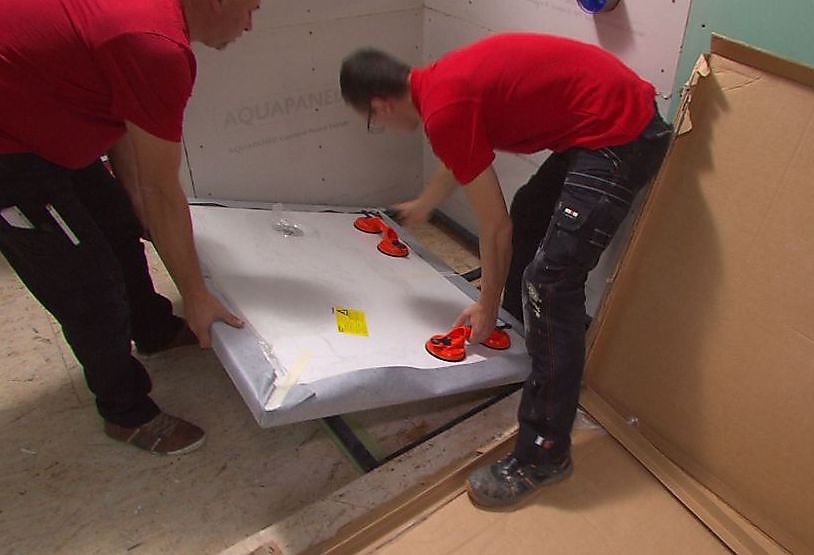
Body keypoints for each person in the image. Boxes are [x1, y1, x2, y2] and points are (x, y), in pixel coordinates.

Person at [340, 33, 672, 508]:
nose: (382, 126)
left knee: (550, 282)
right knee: (530, 211)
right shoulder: (438, 84)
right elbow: (463, 154)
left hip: (622, 135)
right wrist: (426, 204)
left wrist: (486, 305)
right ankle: (528, 337)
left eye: (373, 121)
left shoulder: (443, 108)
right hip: (604, 116)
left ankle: (543, 456)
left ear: (381, 105)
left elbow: (495, 228)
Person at [0, 0, 261, 455]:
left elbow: (129, 132)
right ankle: (125, 412)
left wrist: (136, 205)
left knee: (120, 225)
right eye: (250, 9)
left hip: (39, 108)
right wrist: (195, 294)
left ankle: (152, 328)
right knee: (89, 288)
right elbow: (161, 190)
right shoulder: (157, 47)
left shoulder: (150, 30)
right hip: (9, 150)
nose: (250, 25)